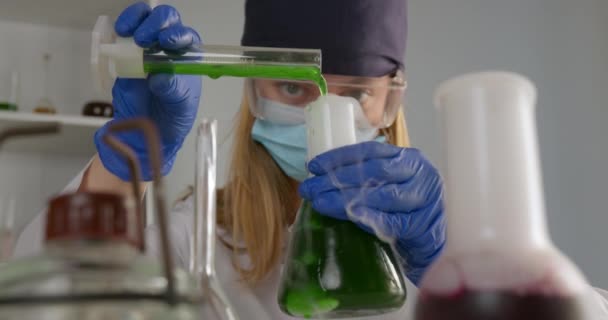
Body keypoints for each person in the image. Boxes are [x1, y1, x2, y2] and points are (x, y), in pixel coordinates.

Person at [13, 1, 608, 319]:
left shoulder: (440, 248)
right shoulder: (195, 246)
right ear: (253, 91)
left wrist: (460, 266)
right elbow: (48, 306)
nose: (327, 113)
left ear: (390, 98)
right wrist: (124, 167)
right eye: (295, 88)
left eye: (355, 94)